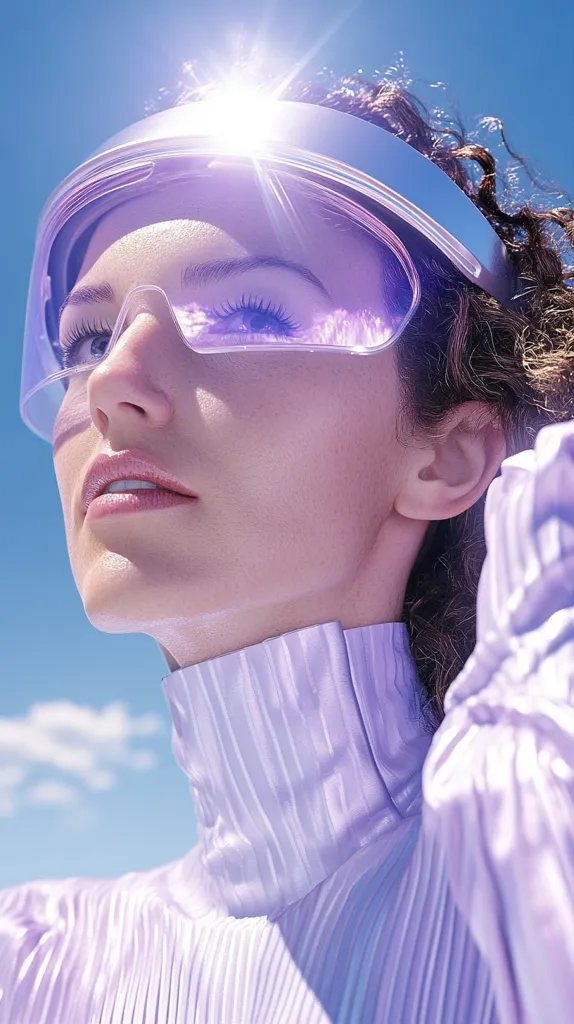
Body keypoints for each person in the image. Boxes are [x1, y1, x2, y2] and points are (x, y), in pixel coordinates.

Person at [1, 65, 574, 1023]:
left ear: (452, 454)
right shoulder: (33, 965)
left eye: (253, 313)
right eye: (87, 339)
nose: (113, 383)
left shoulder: (538, 823)